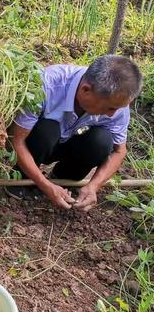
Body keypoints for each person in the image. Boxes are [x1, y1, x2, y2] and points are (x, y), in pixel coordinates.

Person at [8, 55, 142, 211]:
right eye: (110, 108)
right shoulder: (47, 84)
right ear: (85, 90)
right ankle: (21, 181)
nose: (112, 114)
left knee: (102, 141)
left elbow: (119, 151)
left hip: (70, 143)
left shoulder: (116, 102)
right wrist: (43, 184)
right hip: (38, 142)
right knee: (47, 130)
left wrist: (93, 186)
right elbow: (16, 140)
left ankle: (62, 181)